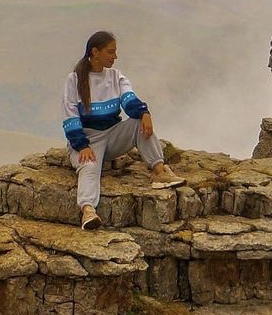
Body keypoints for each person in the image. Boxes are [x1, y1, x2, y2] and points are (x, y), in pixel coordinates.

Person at [62, 30, 183, 229]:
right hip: (87, 139)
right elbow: (70, 116)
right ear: (95, 52)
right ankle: (88, 210)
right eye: (110, 52)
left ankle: (160, 172)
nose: (115, 57)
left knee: (138, 123)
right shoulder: (74, 80)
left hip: (113, 134)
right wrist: (81, 145)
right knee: (90, 167)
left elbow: (129, 99)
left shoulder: (116, 77)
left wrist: (144, 112)